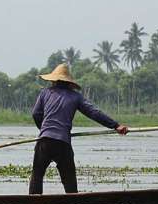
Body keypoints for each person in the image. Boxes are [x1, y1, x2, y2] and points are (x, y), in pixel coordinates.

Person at [29, 64, 128, 194]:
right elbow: (94, 113)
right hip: (63, 143)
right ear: (69, 83)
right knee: (69, 181)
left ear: (53, 81)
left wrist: (44, 130)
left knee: (37, 176)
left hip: (44, 141)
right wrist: (116, 126)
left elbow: (36, 114)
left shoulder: (45, 93)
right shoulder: (75, 97)